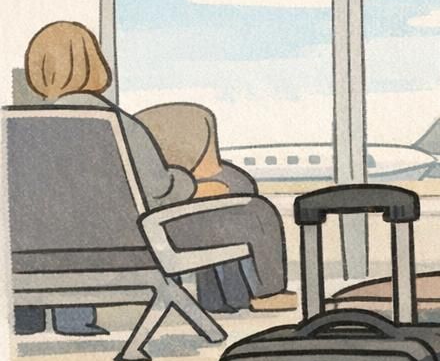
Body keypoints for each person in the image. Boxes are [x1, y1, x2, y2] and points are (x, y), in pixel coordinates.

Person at [19, 21, 295, 325]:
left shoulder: (17, 133)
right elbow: (159, 192)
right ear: (94, 62)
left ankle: (229, 296)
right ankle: (268, 292)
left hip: (35, 256)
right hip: (134, 246)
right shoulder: (116, 125)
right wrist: (192, 184)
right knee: (254, 207)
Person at [135, 103, 296, 312]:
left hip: (176, 225)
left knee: (232, 204)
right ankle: (266, 293)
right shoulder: (183, 183)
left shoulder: (156, 175)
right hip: (176, 229)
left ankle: (225, 298)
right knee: (257, 211)